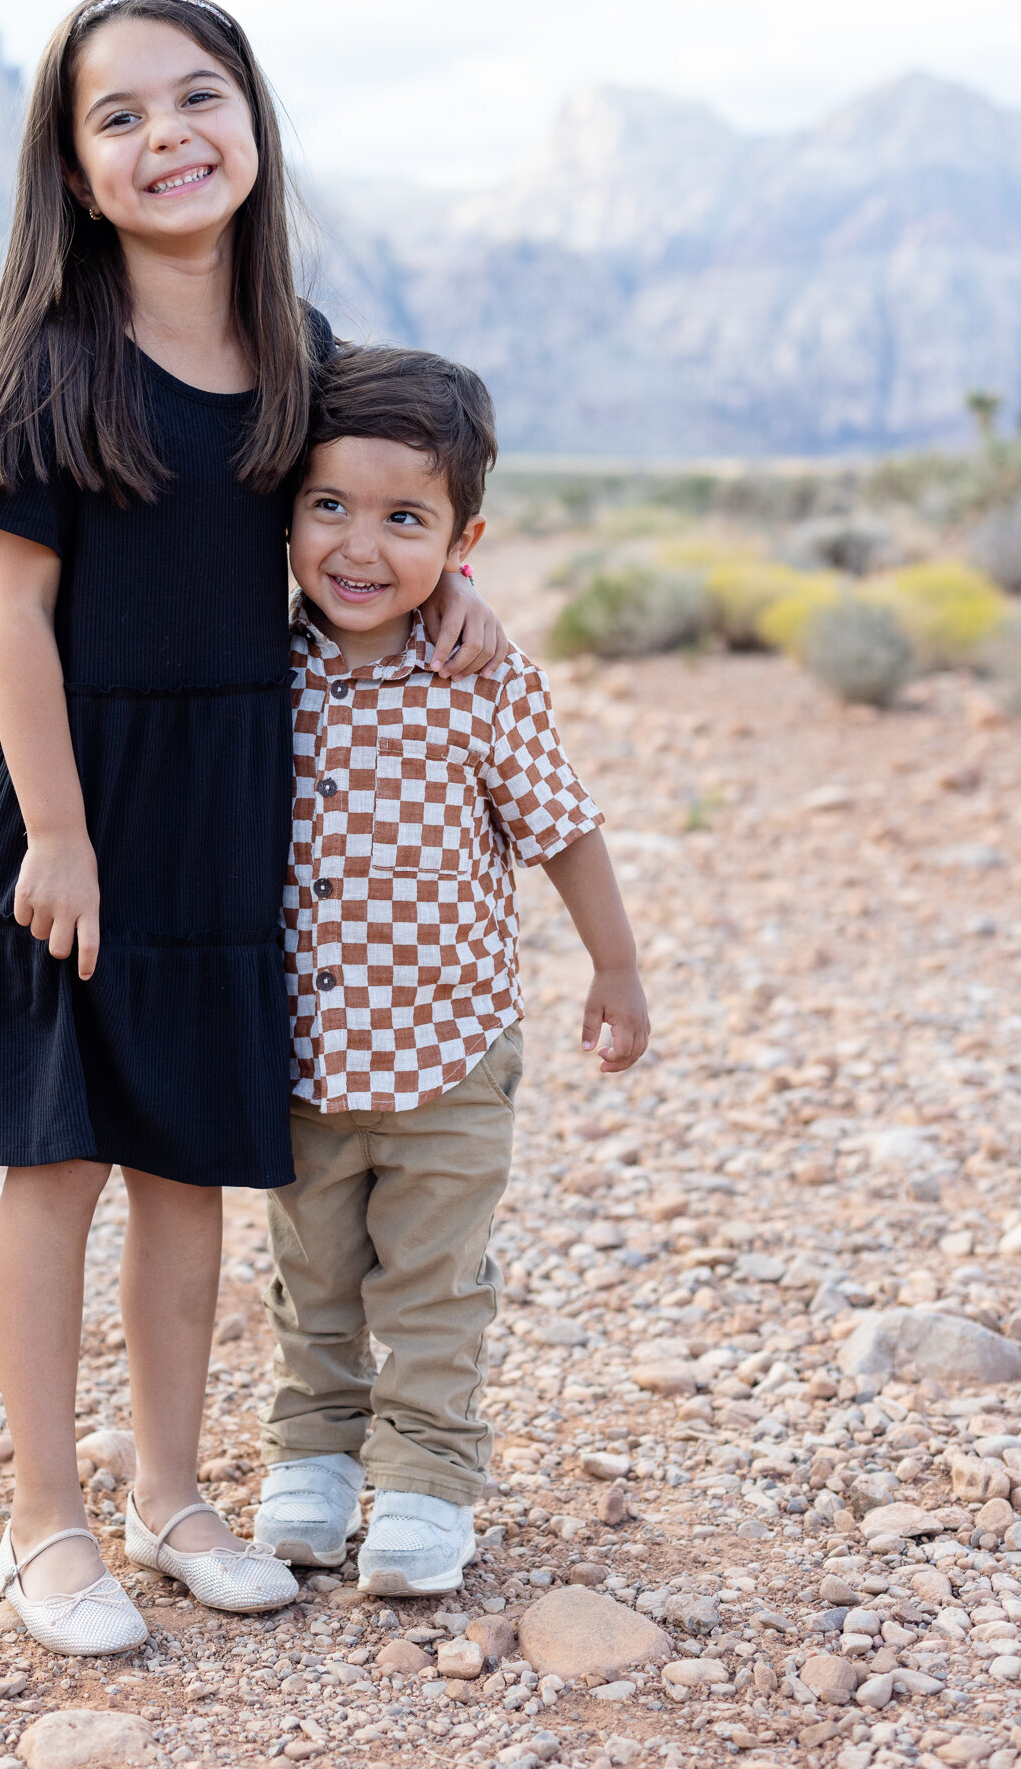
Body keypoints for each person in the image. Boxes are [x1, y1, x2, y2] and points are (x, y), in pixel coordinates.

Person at [0, 0, 507, 1655]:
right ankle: (48, 1524)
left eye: (199, 98)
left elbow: (379, 517)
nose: (167, 135)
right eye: (120, 115)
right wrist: (56, 833)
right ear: (77, 167)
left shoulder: (298, 353)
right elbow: (14, 622)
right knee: (59, 1163)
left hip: (234, 808)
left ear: (250, 124)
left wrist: (460, 596)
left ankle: (172, 1497)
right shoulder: (56, 357)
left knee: (186, 1176)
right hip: (78, 810)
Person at [253, 345, 650, 1595]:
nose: (359, 547)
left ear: (462, 537)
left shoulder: (480, 676)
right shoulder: (263, 666)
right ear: (284, 511)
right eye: (329, 506)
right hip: (302, 1051)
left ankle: (425, 1478)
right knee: (310, 1274)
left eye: (403, 519)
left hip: (450, 1050)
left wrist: (614, 970)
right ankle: (311, 1459)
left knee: (432, 1284)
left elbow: (561, 826)